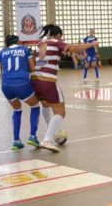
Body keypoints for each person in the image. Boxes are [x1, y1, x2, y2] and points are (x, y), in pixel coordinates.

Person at [31, 24, 98, 152]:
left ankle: (51, 132)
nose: (62, 39)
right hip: (47, 79)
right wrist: (92, 44)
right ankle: (47, 139)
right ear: (58, 35)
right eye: (61, 37)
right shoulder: (56, 42)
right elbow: (73, 48)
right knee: (60, 112)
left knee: (45, 105)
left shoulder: (42, 43)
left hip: (35, 79)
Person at [0, 35, 41, 150]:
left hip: (6, 85)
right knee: (35, 106)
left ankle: (16, 141)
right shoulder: (25, 50)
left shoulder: (2, 52)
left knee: (17, 109)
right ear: (18, 41)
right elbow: (32, 68)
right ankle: (32, 136)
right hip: (21, 83)